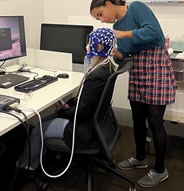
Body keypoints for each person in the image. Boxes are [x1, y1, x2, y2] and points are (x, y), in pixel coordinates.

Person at [89, 0, 176, 187]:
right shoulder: (115, 28)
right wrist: (116, 53)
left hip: (156, 64)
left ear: (109, 4)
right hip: (137, 67)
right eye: (98, 19)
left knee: (154, 120)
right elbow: (126, 56)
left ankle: (160, 169)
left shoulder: (136, 8)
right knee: (137, 116)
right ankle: (140, 158)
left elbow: (153, 32)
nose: (102, 20)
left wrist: (122, 35)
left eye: (101, 14)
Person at [17, 27, 117, 170]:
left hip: (82, 129)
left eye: (90, 43)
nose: (86, 46)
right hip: (94, 123)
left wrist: (61, 112)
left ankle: (26, 167)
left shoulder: (96, 76)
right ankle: (37, 159)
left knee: (36, 131)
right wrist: (69, 105)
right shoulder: (107, 67)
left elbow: (82, 114)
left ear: (99, 47)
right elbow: (87, 100)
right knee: (43, 121)